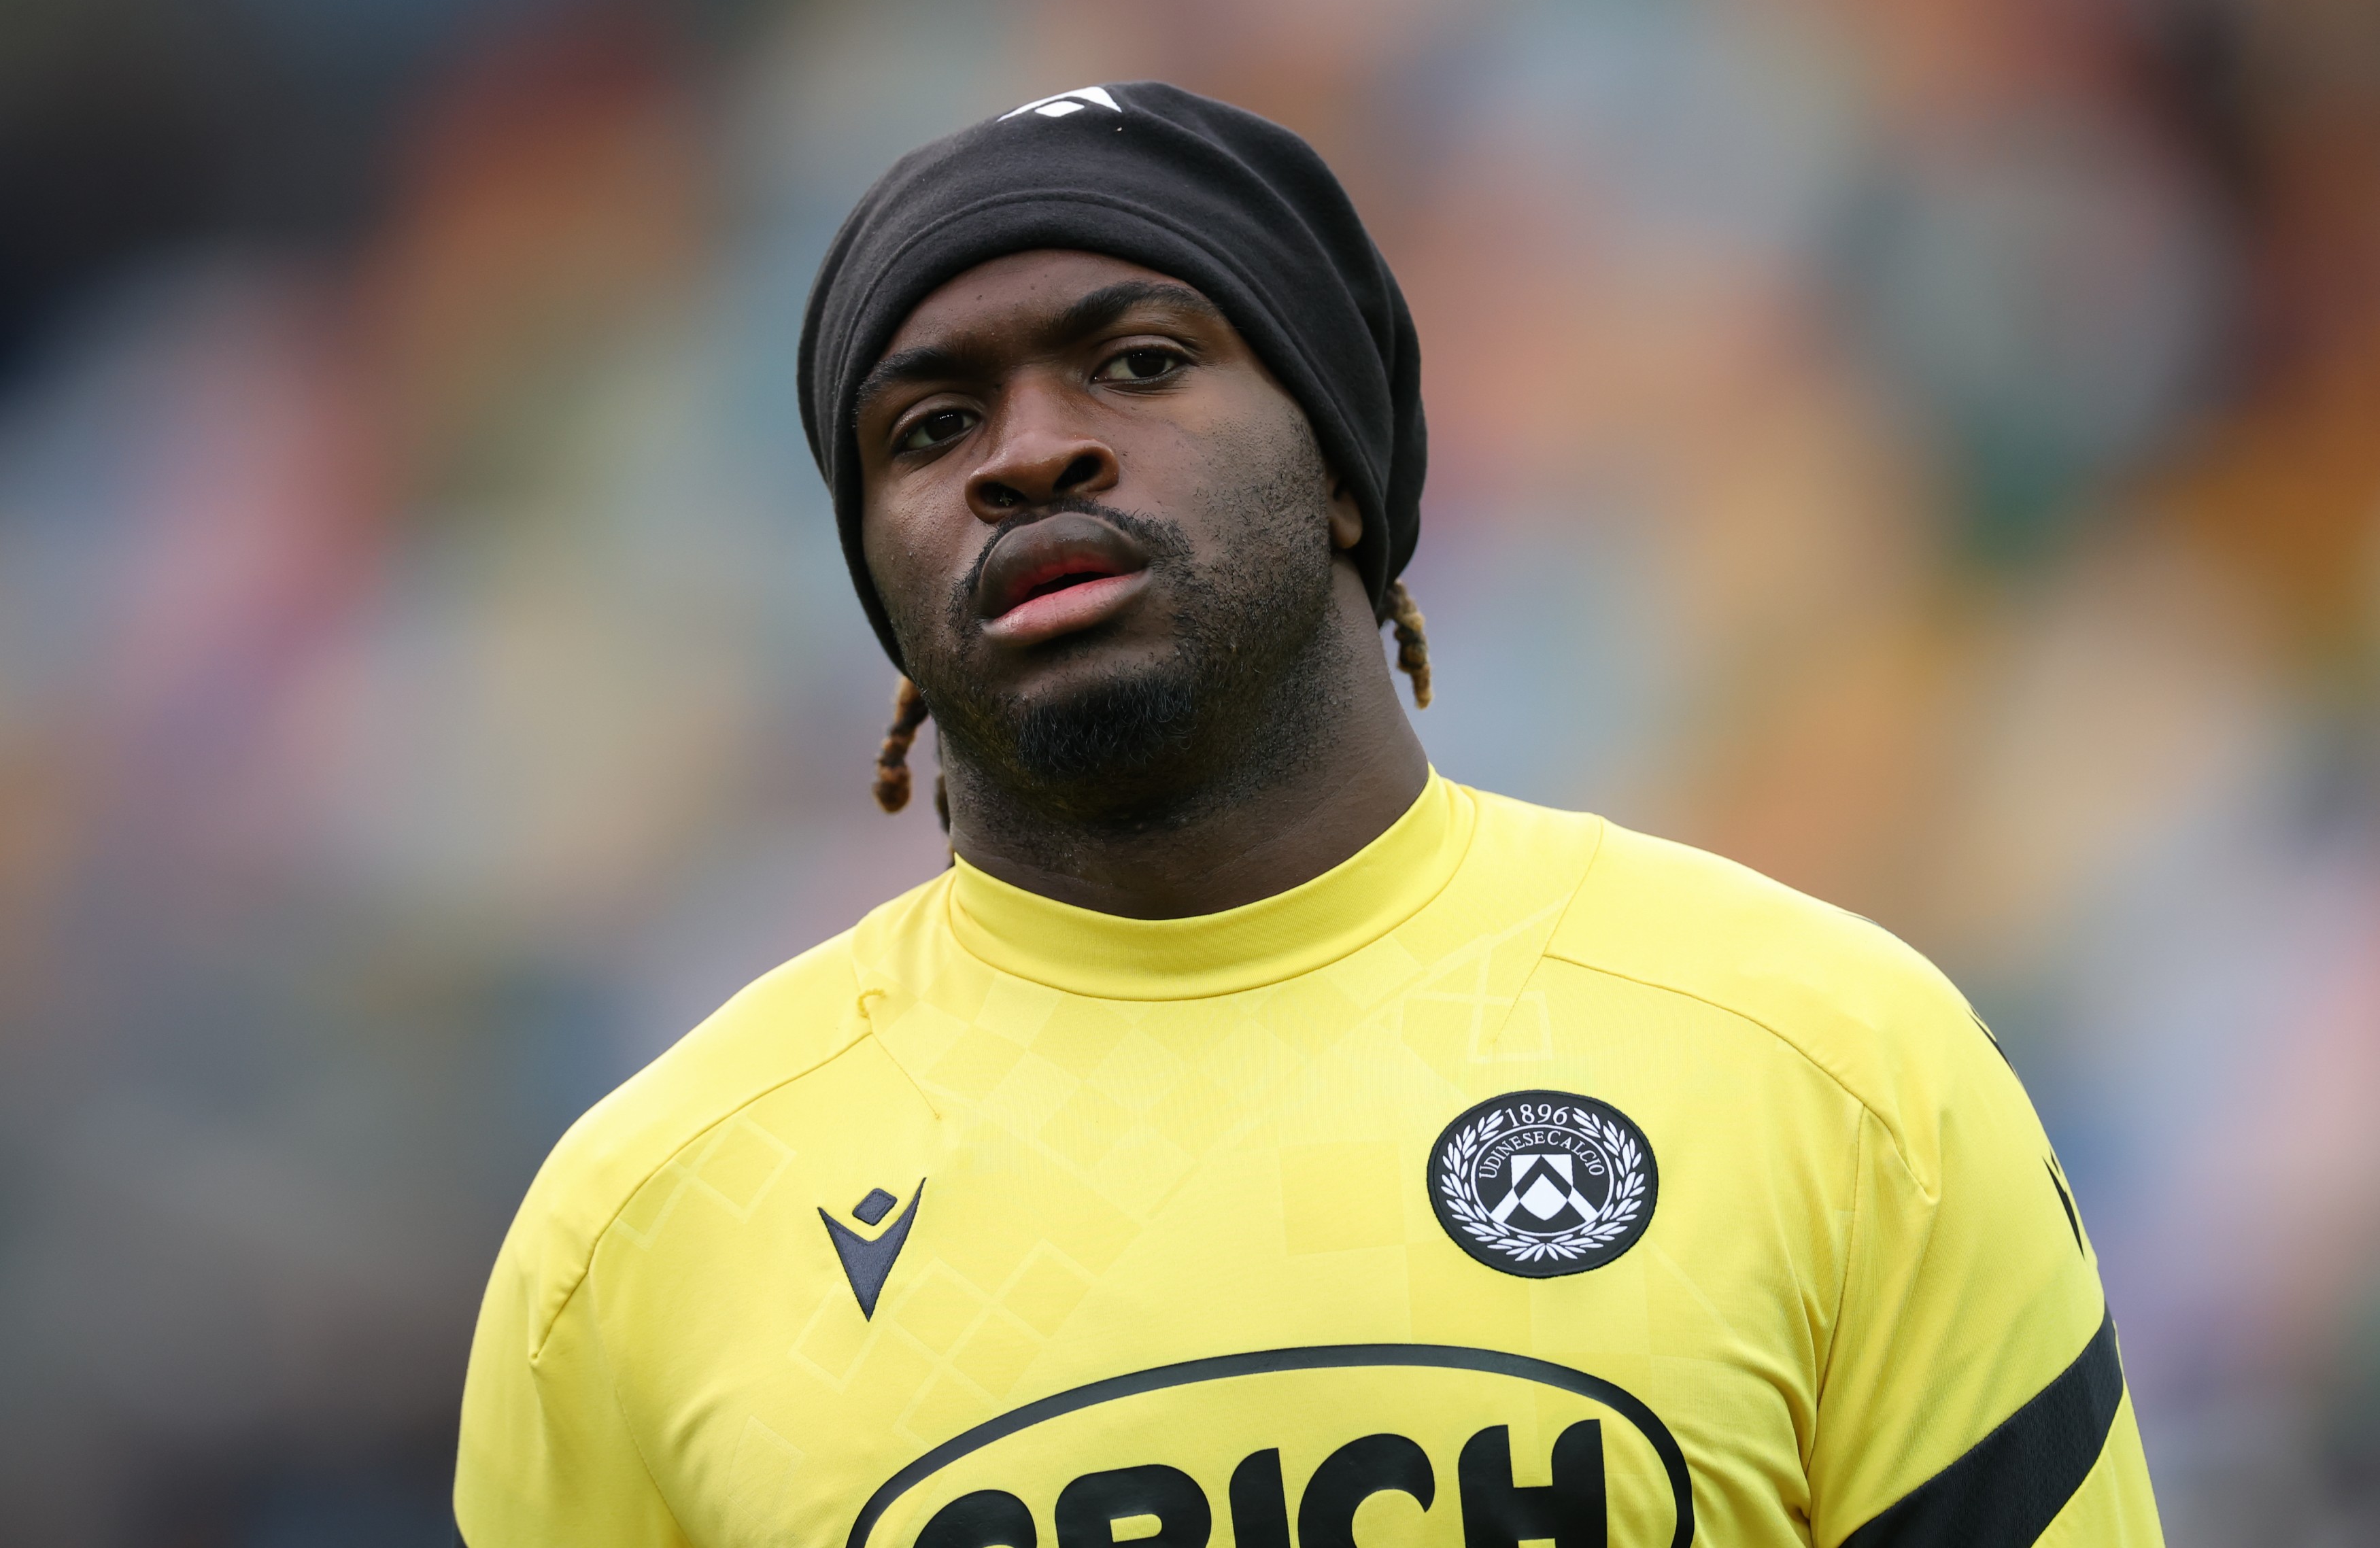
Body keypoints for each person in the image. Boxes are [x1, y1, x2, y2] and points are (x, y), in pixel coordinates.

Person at [454, 82, 2162, 1548]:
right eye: (931, 424)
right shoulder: (643, 1235)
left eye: (1134, 361)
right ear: (880, 592)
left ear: (1344, 462)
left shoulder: (1832, 1065)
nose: (1028, 453)